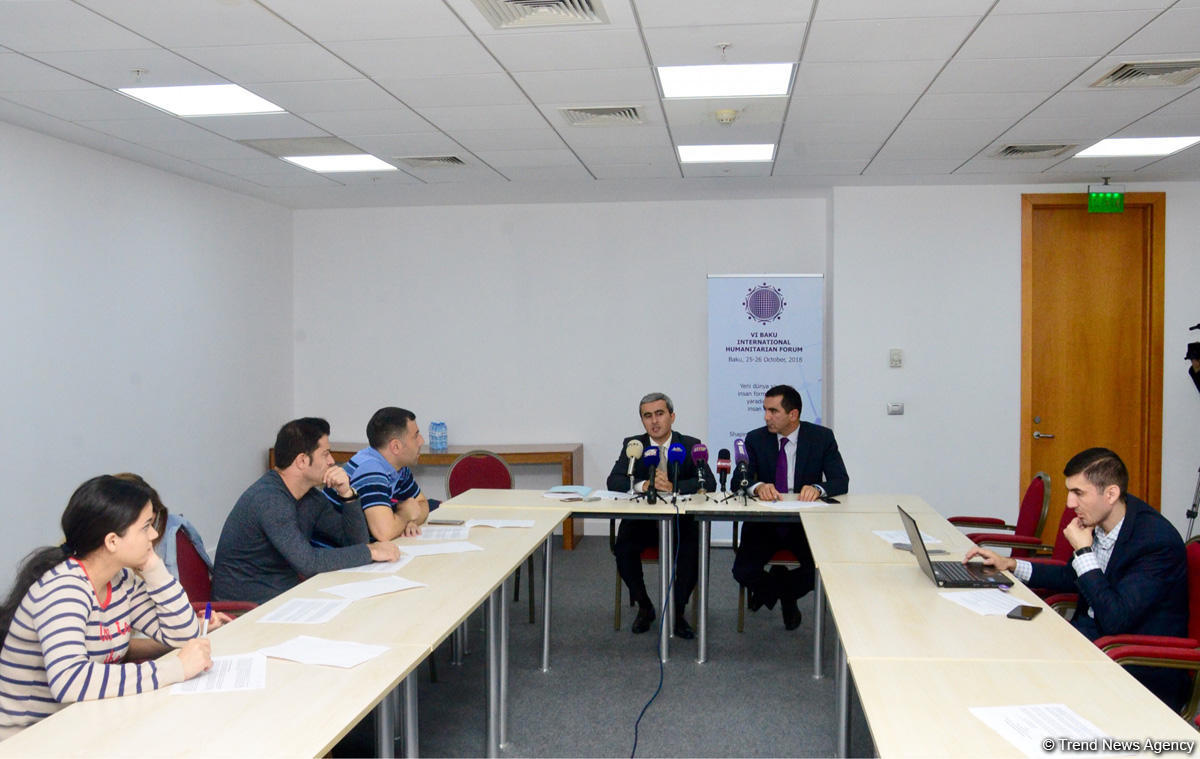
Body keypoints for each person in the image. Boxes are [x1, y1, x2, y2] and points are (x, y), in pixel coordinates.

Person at [967, 447, 1188, 710]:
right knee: (999, 645)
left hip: (1132, 662)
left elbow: (1116, 619)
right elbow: (1072, 576)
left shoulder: (1155, 542)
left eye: (1079, 493)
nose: (1070, 503)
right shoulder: (1102, 521)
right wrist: (1011, 565)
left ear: (1111, 494)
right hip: (1091, 639)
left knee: (1019, 676)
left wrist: (1083, 551)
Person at [0, 476, 214, 739]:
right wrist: (175, 669)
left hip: (80, 723)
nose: (154, 535)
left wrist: (153, 567)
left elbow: (183, 634)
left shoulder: (121, 580)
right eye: (146, 527)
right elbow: (70, 681)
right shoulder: (63, 589)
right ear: (112, 541)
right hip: (27, 738)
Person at [210, 417, 400, 605]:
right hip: (246, 607)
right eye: (325, 454)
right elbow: (308, 563)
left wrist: (347, 494)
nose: (332, 461)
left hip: (283, 594)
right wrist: (370, 552)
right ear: (302, 460)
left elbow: (356, 543)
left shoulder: (311, 498)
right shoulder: (269, 500)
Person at [731, 384, 849, 631]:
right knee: (742, 571)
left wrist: (818, 488)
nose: (766, 417)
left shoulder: (821, 438)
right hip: (764, 524)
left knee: (821, 570)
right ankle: (785, 593)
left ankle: (779, 588)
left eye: (773, 411)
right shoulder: (755, 439)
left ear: (793, 414)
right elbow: (738, 480)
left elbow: (841, 481)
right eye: (765, 410)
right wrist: (758, 486)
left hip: (804, 525)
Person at [606, 392, 715, 638]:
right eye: (647, 416)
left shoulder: (689, 445)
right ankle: (645, 606)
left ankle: (677, 611)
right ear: (642, 420)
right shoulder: (633, 445)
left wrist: (674, 486)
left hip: (679, 522)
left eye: (659, 414)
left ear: (672, 417)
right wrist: (643, 485)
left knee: (694, 549)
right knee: (623, 548)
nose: (654, 421)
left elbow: (709, 482)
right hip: (643, 522)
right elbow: (614, 480)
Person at [335, 407, 431, 542]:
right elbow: (384, 533)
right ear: (396, 446)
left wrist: (410, 522)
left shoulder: (398, 467)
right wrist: (405, 516)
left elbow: (422, 504)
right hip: (336, 550)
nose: (421, 441)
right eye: (415, 436)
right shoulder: (370, 470)